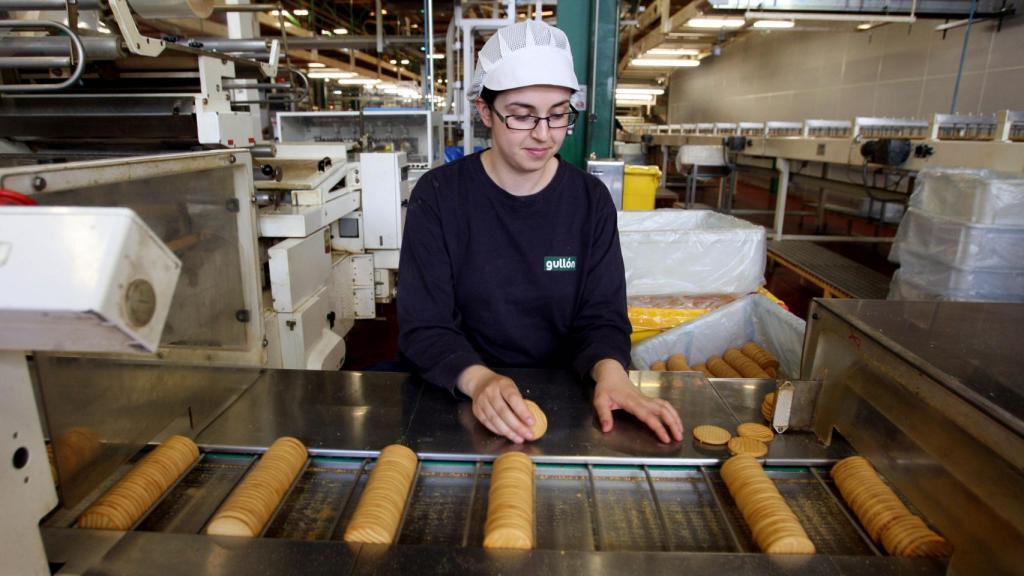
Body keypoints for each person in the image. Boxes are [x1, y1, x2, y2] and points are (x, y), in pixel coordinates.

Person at [397, 19, 683, 445]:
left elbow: (601, 316)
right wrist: (478, 381)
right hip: (458, 391)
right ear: (484, 112)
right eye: (521, 116)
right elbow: (425, 324)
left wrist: (612, 374)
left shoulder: (589, 201)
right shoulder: (439, 196)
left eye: (558, 115)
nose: (544, 134)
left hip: (564, 400)